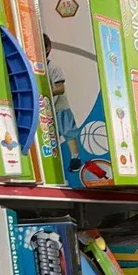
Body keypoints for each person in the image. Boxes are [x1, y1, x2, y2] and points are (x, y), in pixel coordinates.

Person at [44, 33, 81, 172]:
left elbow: (60, 88)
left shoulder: (54, 68)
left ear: (47, 48)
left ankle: (75, 158)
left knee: (68, 131)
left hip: (60, 107)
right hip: (46, 109)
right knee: (50, 134)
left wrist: (45, 93)